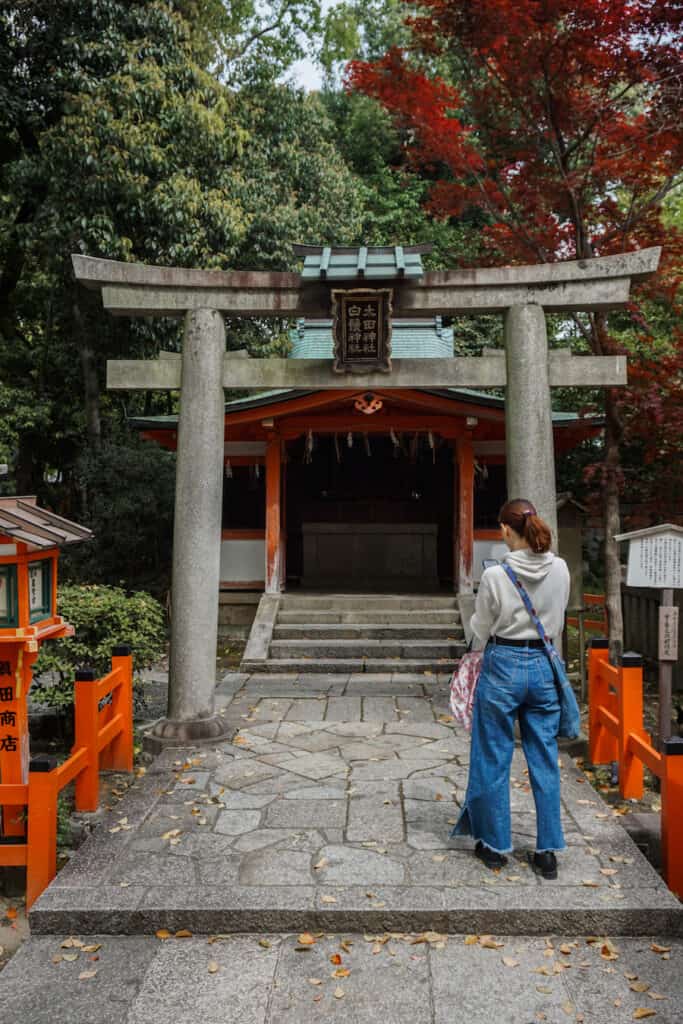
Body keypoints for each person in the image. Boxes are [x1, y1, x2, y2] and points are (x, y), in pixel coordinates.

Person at [451, 498, 570, 879]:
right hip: (542, 665)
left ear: (505, 530)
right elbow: (559, 620)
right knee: (543, 756)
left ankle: (494, 844)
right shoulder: (562, 569)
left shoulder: (496, 576)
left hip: (502, 663)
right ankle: (547, 849)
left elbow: (481, 628)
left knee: (493, 753)